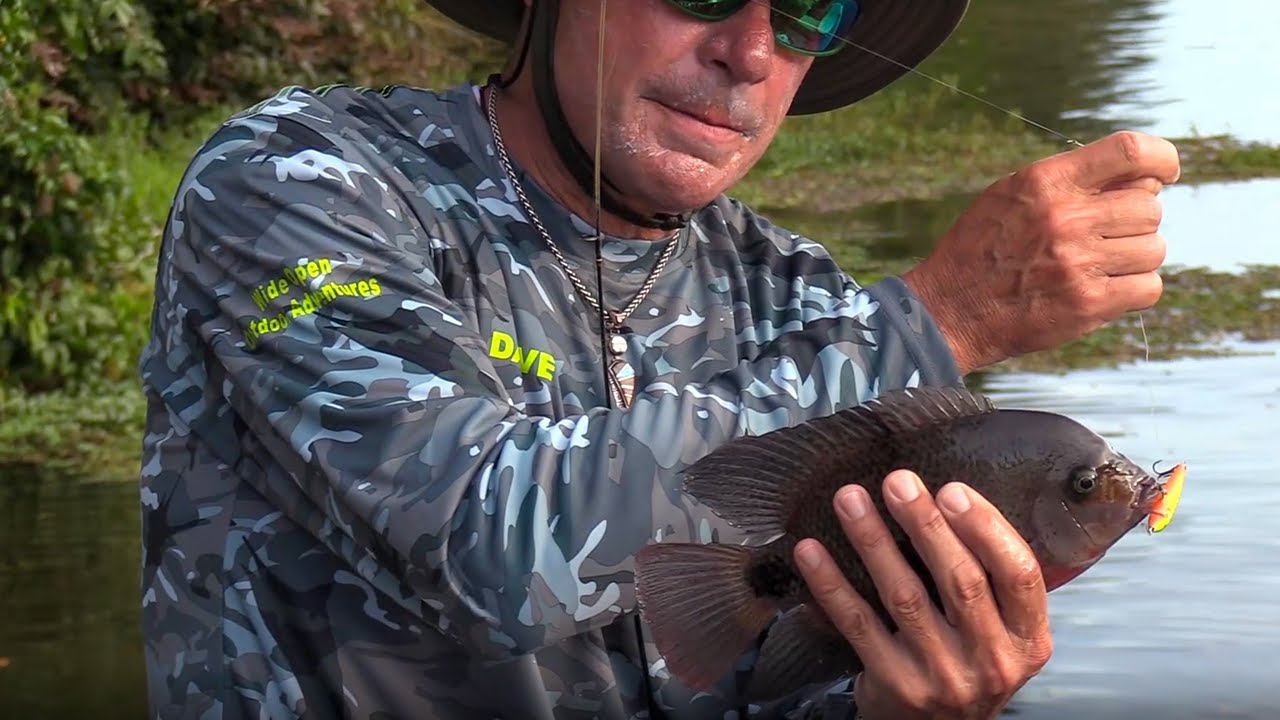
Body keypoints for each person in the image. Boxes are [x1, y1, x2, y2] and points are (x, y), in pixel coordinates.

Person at [136, 0, 1180, 718]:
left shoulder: (801, 298)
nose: (752, 52)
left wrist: (903, 699)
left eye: (810, 8)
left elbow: (770, 679)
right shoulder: (300, 185)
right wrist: (938, 319)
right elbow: (482, 547)